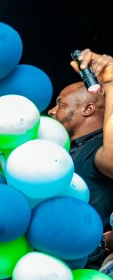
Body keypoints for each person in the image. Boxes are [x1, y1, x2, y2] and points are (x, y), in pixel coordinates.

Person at [48, 49, 113, 264]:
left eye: (61, 104)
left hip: (82, 270)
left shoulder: (98, 148)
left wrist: (110, 83)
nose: (51, 111)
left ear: (88, 109)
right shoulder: (69, 149)